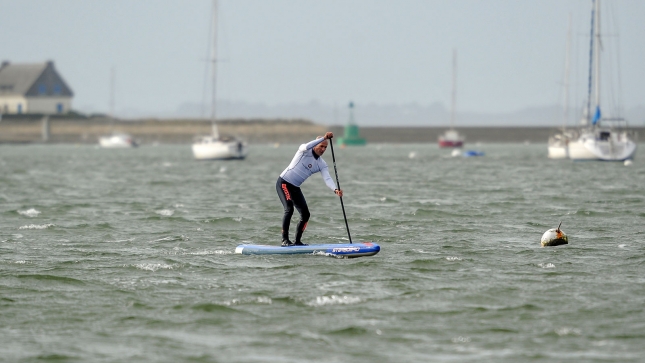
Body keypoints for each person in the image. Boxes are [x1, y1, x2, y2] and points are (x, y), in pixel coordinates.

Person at [276, 132, 343, 246]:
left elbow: (327, 178)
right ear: (315, 144)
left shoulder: (321, 164)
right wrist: (324, 138)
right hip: (284, 183)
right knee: (289, 209)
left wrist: (335, 189)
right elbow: (306, 146)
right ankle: (284, 240)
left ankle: (297, 241)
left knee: (305, 214)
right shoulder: (304, 151)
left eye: (325, 147)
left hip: (295, 188)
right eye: (321, 146)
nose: (323, 149)